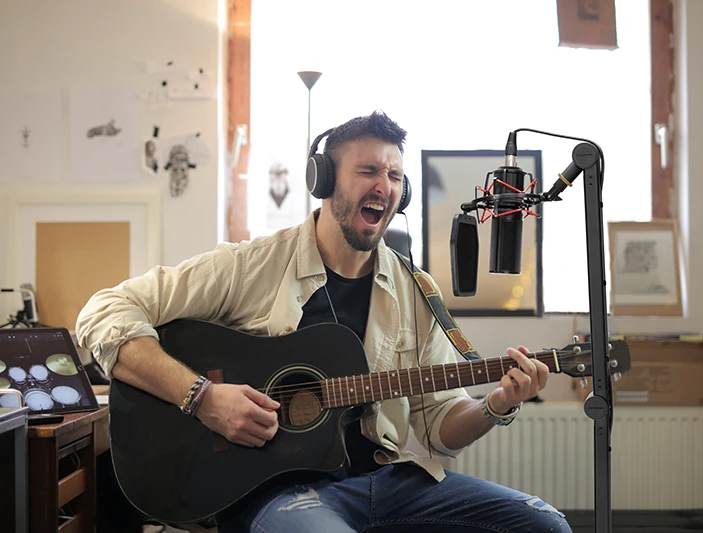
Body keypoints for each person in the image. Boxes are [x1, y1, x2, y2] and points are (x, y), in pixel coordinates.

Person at [76, 111, 572, 533]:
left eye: (396, 176)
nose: (385, 186)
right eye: (369, 170)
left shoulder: (417, 291)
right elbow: (103, 312)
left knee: (546, 524)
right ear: (324, 180)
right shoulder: (252, 266)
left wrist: (498, 404)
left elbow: (440, 427)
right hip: (280, 490)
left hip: (391, 478)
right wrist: (201, 395)